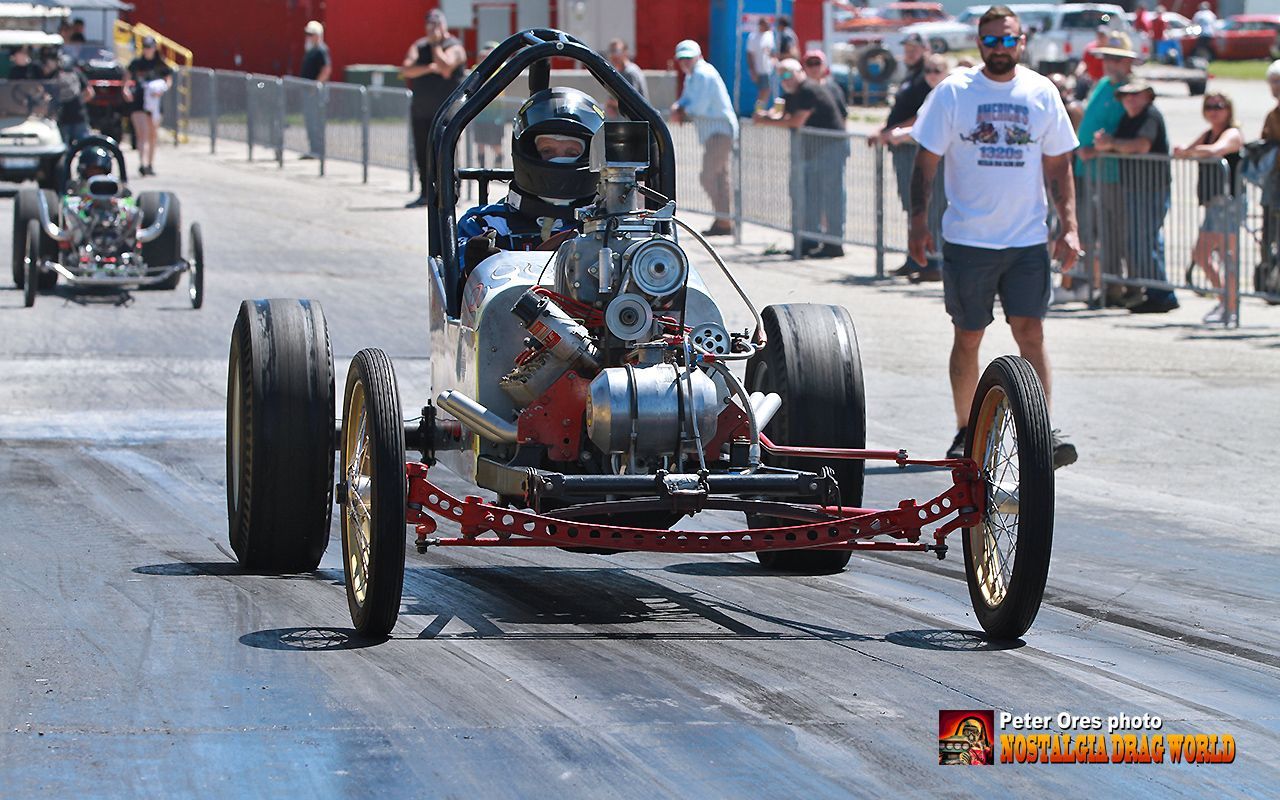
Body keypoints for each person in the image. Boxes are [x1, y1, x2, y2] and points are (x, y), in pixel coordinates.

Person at [907, 5, 1080, 468]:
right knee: (969, 334)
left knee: (1032, 332)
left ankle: (1038, 430)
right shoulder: (955, 92)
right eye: (991, 40)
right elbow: (925, 161)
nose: (1000, 48)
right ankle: (966, 430)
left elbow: (1059, 164)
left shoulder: (1040, 91)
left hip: (1025, 240)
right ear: (979, 43)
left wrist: (1071, 227)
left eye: (1008, 40)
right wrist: (917, 223)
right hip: (969, 240)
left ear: (1021, 42)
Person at [456, 87, 606, 276]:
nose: (559, 160)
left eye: (572, 153)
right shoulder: (484, 225)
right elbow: (458, 295)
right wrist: (478, 269)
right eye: (548, 151)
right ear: (527, 151)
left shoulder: (607, 226)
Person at [1093, 81, 1177, 313]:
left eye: (1135, 95)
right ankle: (1155, 290)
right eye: (1125, 96)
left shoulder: (1150, 116)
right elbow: (1118, 146)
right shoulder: (1128, 119)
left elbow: (1140, 146)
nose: (1129, 100)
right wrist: (1105, 145)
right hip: (1134, 187)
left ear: (1147, 96)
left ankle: (1161, 293)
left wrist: (1112, 144)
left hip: (1151, 187)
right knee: (1141, 240)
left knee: (1143, 240)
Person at [754, 56, 849, 259]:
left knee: (830, 196)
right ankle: (808, 241)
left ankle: (834, 243)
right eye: (781, 76)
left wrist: (765, 122)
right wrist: (765, 115)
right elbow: (784, 115)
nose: (785, 79)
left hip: (830, 147)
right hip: (813, 151)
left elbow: (796, 121)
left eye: (788, 74)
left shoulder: (808, 89)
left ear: (799, 72)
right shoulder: (793, 93)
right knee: (809, 196)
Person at [1075, 32, 1138, 306]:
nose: (1110, 63)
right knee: (1098, 231)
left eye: (1116, 59)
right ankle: (1107, 285)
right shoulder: (1102, 84)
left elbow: (1126, 133)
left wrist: (1101, 148)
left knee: (1119, 232)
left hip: (1113, 171)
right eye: (1107, 58)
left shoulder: (1131, 91)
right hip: (1089, 169)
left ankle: (1128, 285)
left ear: (1128, 64)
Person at [1174, 92, 1243, 324]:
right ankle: (1226, 301)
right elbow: (1187, 152)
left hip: (1228, 202)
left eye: (1219, 106)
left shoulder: (1232, 133)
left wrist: (1190, 151)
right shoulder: (1208, 133)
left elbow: (1215, 151)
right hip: (1214, 202)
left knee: (1222, 255)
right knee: (1206, 255)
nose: (1214, 110)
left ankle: (1230, 305)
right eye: (1210, 106)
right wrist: (1187, 150)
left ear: (1229, 109)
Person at [874, 32, 938, 280]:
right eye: (907, 48)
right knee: (910, 206)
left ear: (925, 49)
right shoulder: (911, 74)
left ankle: (928, 262)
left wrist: (890, 131)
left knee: (922, 205)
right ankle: (914, 258)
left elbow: (923, 115)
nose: (910, 52)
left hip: (915, 150)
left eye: (915, 48)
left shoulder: (925, 76)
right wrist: (884, 131)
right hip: (901, 148)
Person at [670, 39, 737, 236]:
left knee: (708, 176)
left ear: (698, 57)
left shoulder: (703, 74)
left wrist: (680, 110)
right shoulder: (693, 76)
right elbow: (686, 99)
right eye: (682, 59)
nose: (685, 62)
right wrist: (678, 107)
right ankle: (724, 220)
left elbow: (697, 106)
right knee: (719, 177)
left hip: (719, 131)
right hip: (713, 132)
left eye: (688, 58)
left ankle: (725, 218)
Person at [402, 9, 466, 208]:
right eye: (429, 24)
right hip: (421, 110)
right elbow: (406, 69)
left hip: (447, 114)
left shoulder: (454, 46)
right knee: (423, 153)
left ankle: (450, 195)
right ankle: (425, 194)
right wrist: (429, 68)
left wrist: (436, 45)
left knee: (445, 152)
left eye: (436, 24)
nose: (432, 28)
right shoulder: (419, 46)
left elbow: (446, 67)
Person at [125, 36, 171, 176]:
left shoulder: (160, 63)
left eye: (150, 47)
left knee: (152, 135)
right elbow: (126, 78)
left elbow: (168, 79)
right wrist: (125, 90)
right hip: (139, 101)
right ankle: (142, 164)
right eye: (145, 47)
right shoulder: (137, 63)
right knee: (142, 133)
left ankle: (150, 164)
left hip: (154, 103)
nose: (147, 50)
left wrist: (161, 89)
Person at [470, 42, 506, 169]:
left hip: (495, 115)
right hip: (480, 114)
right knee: (480, 143)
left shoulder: (501, 69)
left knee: (495, 143)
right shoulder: (477, 69)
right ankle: (481, 166)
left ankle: (499, 160)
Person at [299, 20, 331, 161]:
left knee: (316, 121)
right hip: (308, 92)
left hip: (316, 93)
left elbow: (326, 69)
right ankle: (313, 149)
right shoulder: (311, 50)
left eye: (311, 34)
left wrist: (315, 86)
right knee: (310, 121)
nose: (308, 37)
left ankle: (318, 150)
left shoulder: (321, 50)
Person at [53, 53, 94, 147]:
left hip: (62, 115)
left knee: (63, 148)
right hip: (79, 114)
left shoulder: (55, 74)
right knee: (86, 145)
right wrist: (79, 101)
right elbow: (90, 93)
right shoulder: (76, 72)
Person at [604, 39, 648, 119]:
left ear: (625, 53)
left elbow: (631, 102)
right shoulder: (617, 72)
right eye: (611, 51)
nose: (613, 55)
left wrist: (610, 103)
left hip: (636, 120)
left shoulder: (630, 72)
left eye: (616, 51)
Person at [746, 17, 775, 112]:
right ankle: (758, 112)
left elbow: (771, 52)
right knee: (763, 91)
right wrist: (752, 70)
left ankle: (760, 111)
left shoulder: (769, 35)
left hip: (769, 69)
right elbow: (750, 55)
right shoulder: (753, 37)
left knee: (766, 91)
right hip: (759, 69)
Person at [1073, 27, 1109, 102]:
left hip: (1107, 80)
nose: (1101, 38)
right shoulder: (1091, 48)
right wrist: (1079, 70)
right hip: (1093, 80)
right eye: (1099, 35)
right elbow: (1084, 62)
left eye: (1103, 36)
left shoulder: (1111, 49)